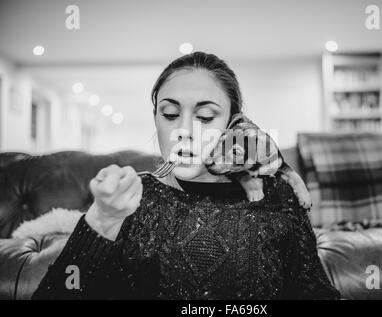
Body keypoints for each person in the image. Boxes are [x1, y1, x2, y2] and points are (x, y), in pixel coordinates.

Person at [32, 51, 340, 300]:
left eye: (205, 117)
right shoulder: (130, 197)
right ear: (156, 119)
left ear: (234, 124)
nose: (184, 131)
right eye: (169, 114)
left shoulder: (279, 195)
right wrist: (102, 220)